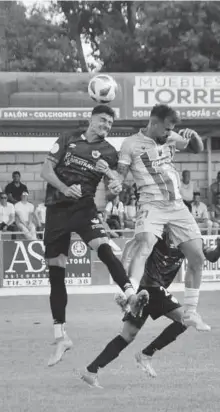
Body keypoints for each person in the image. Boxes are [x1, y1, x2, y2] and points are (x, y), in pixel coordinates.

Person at [40, 104, 148, 367]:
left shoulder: (109, 152)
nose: (105, 126)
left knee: (103, 246)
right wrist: (65, 189)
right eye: (102, 120)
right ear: (91, 119)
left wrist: (111, 176)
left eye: (109, 124)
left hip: (84, 208)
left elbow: (115, 188)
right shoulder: (68, 138)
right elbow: (46, 171)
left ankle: (130, 295)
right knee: (56, 273)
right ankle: (60, 337)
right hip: (57, 209)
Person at [80, 231, 220, 388]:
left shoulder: (190, 238)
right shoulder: (159, 234)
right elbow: (134, 243)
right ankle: (146, 354)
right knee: (186, 319)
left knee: (127, 336)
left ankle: (91, 371)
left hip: (146, 291)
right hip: (150, 286)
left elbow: (210, 256)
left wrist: (219, 248)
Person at [115, 104, 209, 331]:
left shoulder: (171, 137)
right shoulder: (131, 144)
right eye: (166, 129)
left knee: (197, 257)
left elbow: (198, 149)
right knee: (145, 244)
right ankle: (129, 297)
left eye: (172, 129)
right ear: (153, 123)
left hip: (177, 206)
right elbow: (120, 174)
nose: (169, 133)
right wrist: (116, 182)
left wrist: (194, 136)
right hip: (151, 204)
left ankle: (190, 312)